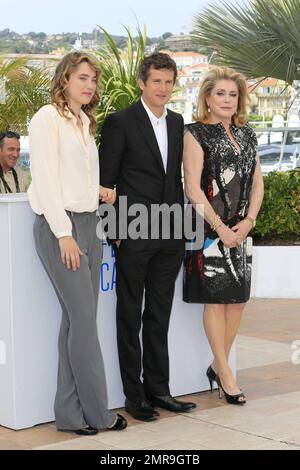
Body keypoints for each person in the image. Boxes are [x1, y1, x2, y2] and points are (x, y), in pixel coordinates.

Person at [27, 51, 127, 434]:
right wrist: (63, 232)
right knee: (84, 324)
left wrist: (97, 190)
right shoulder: (46, 119)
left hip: (89, 225)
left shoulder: (84, 121)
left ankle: (68, 415)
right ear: (64, 78)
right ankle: (98, 413)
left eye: (93, 80)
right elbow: (47, 180)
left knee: (75, 323)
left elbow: (74, 173)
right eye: (82, 77)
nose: (89, 85)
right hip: (61, 230)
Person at [99, 52, 196, 421]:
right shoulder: (120, 122)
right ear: (142, 82)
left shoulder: (176, 121)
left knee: (159, 314)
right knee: (129, 316)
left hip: (170, 233)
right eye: (156, 81)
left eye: (169, 82)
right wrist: (114, 233)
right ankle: (134, 396)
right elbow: (106, 182)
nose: (163, 88)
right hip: (134, 232)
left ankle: (159, 390)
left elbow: (175, 180)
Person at [183, 66, 264, 405]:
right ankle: (226, 373)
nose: (228, 100)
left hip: (240, 229)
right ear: (207, 98)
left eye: (233, 94)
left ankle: (218, 365)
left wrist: (249, 222)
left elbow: (258, 182)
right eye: (221, 94)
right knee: (216, 300)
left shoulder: (248, 135)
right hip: (208, 230)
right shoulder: (195, 133)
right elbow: (192, 188)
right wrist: (220, 228)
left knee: (238, 301)